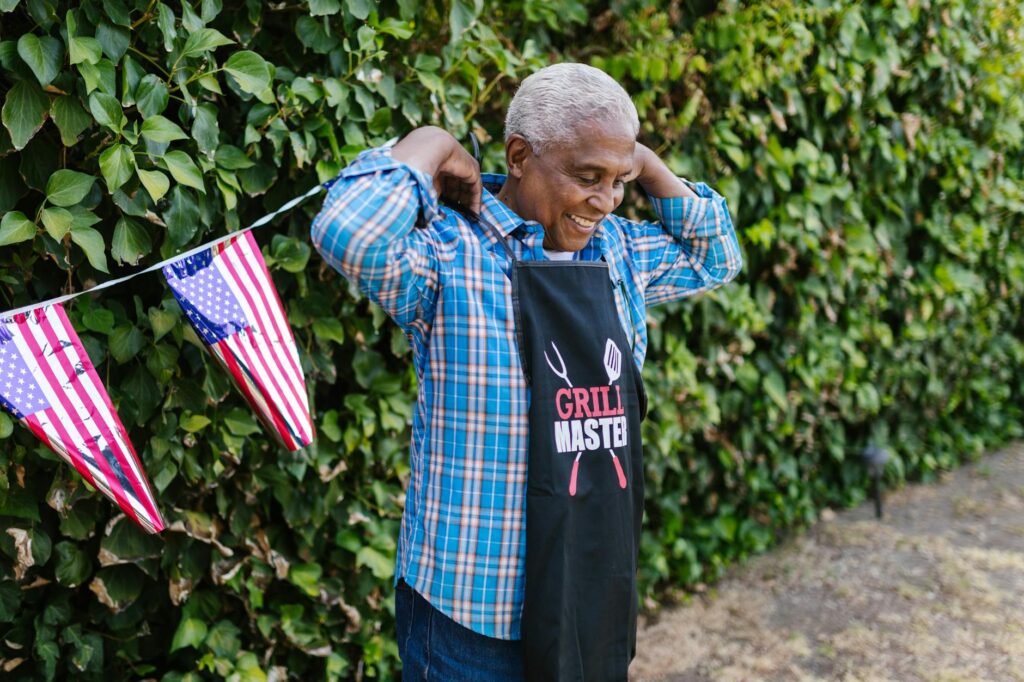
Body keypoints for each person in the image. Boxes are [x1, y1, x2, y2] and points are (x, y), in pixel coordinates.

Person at [311, 63, 742, 681]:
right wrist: (430, 143)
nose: (606, 200)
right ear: (518, 155)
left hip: (585, 599)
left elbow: (715, 257)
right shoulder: (450, 256)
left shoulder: (615, 249)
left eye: (617, 182)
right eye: (587, 177)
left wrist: (640, 162)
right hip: (471, 613)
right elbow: (347, 232)